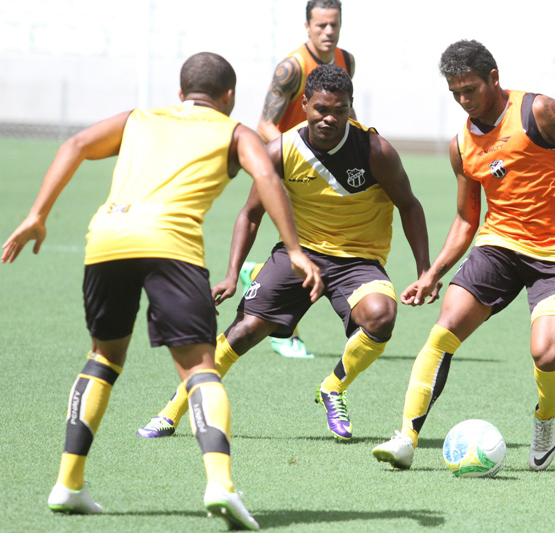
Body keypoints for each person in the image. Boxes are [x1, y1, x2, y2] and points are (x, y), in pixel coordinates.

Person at [1, 52, 323, 530]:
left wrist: (37, 214)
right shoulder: (234, 131)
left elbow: (74, 145)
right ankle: (221, 486)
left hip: (107, 237)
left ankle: (67, 484)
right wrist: (295, 249)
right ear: (229, 96)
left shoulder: (139, 118)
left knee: (103, 357)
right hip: (171, 244)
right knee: (199, 368)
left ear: (180, 92)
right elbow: (267, 176)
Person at [137, 64, 435, 442]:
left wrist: (424, 269)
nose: (329, 118)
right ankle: (172, 412)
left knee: (380, 317)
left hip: (358, 260)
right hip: (299, 256)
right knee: (243, 332)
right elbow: (250, 214)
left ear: (350, 107)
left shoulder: (375, 151)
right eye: (321, 109)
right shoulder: (280, 151)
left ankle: (333, 388)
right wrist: (230, 274)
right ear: (306, 103)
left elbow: (410, 205)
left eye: (340, 110)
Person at [372, 40, 555, 472]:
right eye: (455, 93)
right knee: (443, 330)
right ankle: (405, 436)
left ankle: (545, 416)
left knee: (548, 355)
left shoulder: (538, 112)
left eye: (470, 89)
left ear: (493, 79)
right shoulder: (461, 145)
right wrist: (432, 273)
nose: (464, 100)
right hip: (498, 245)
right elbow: (466, 219)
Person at [250, 0, 356, 359]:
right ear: (307, 27)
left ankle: (260, 275)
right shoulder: (291, 68)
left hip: (327, 163)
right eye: (321, 25)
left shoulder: (346, 60)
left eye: (334, 25)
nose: (328, 32)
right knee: (299, 244)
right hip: (291, 163)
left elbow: (347, 114)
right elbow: (264, 124)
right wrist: (295, 154)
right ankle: (284, 331)